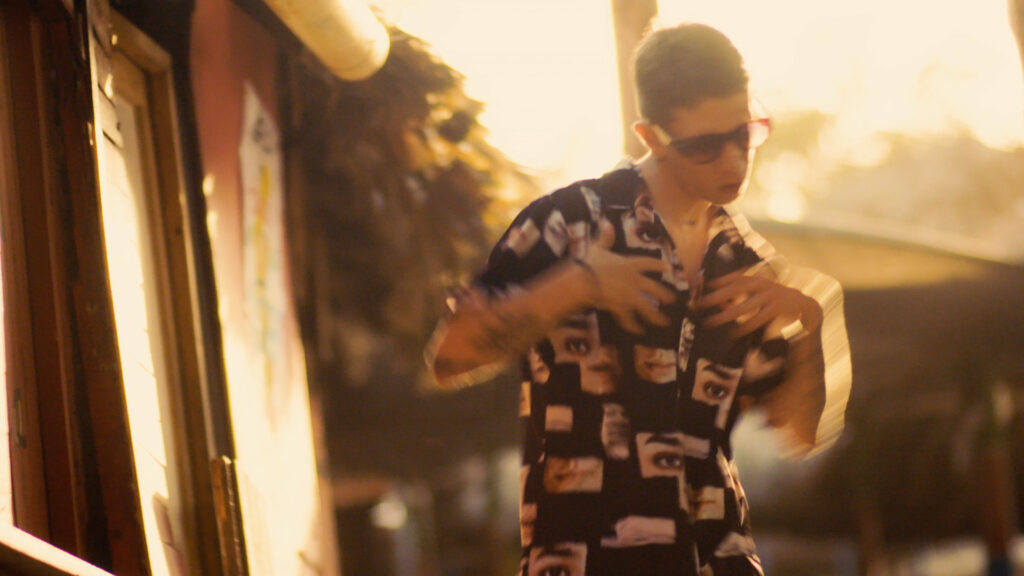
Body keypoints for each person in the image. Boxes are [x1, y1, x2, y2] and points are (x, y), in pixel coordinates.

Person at [426, 22, 851, 576]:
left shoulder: (746, 261)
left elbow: (799, 434)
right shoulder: (568, 224)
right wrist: (579, 283)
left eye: (743, 133)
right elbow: (450, 358)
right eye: (705, 145)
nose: (732, 160)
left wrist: (811, 327)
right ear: (650, 136)